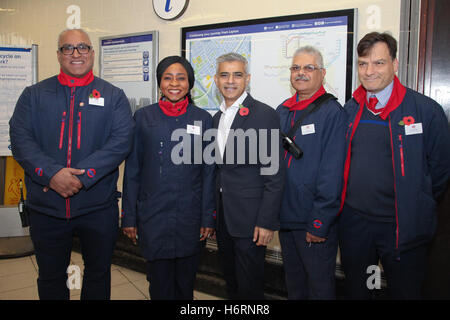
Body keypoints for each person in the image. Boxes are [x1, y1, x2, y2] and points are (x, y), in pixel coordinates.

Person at [9, 28, 134, 299]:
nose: (76, 54)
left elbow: (121, 141)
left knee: (98, 274)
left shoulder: (113, 96)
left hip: (97, 206)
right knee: (52, 277)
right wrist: (51, 174)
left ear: (92, 53)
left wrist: (83, 176)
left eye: (82, 47)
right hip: (47, 207)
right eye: (68, 48)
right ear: (58, 54)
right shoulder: (34, 95)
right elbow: (20, 139)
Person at [339, 32, 450, 299]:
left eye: (379, 63)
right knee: (362, 290)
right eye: (363, 63)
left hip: (402, 229)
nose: (369, 71)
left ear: (395, 64)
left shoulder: (425, 111)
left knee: (405, 292)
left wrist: (415, 198)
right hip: (356, 227)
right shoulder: (351, 110)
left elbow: (440, 171)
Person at [121, 56, 215, 300]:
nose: (175, 83)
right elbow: (132, 171)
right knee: (160, 286)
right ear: (160, 83)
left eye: (181, 78)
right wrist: (129, 216)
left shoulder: (203, 120)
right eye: (168, 77)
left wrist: (208, 217)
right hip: (153, 217)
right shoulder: (143, 117)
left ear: (190, 83)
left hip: (190, 217)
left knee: (185, 285)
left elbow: (208, 172)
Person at [212, 52, 285, 300]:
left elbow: (274, 174)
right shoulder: (216, 118)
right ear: (215, 79)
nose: (230, 80)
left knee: (250, 288)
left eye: (237, 74)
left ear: (248, 79)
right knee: (231, 283)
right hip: (224, 219)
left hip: (252, 221)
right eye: (224, 74)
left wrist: (266, 221)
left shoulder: (263, 114)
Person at [276, 46, 346, 299]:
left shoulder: (332, 113)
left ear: (322, 73)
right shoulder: (282, 111)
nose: (301, 73)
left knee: (319, 288)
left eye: (308, 68)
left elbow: (333, 173)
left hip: (313, 221)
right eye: (296, 68)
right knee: (294, 285)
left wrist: (319, 222)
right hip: (286, 218)